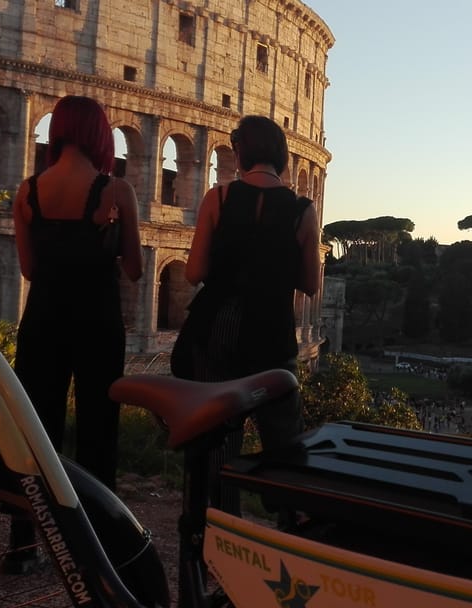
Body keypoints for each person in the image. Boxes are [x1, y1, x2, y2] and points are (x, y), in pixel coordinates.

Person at [181, 115, 321, 518]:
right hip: (271, 327)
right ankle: (286, 522)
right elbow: (310, 284)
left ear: (240, 151)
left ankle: (220, 524)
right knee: (281, 434)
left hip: (217, 326)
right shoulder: (302, 210)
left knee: (218, 434)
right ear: (279, 155)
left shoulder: (218, 198)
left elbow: (193, 273)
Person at [12, 95, 143, 492]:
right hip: (97, 321)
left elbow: (29, 269)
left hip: (43, 319)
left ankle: (27, 536)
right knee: (99, 425)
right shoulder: (117, 191)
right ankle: (97, 529)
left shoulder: (28, 190)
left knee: (36, 424)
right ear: (100, 134)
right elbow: (135, 270)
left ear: (58, 131)